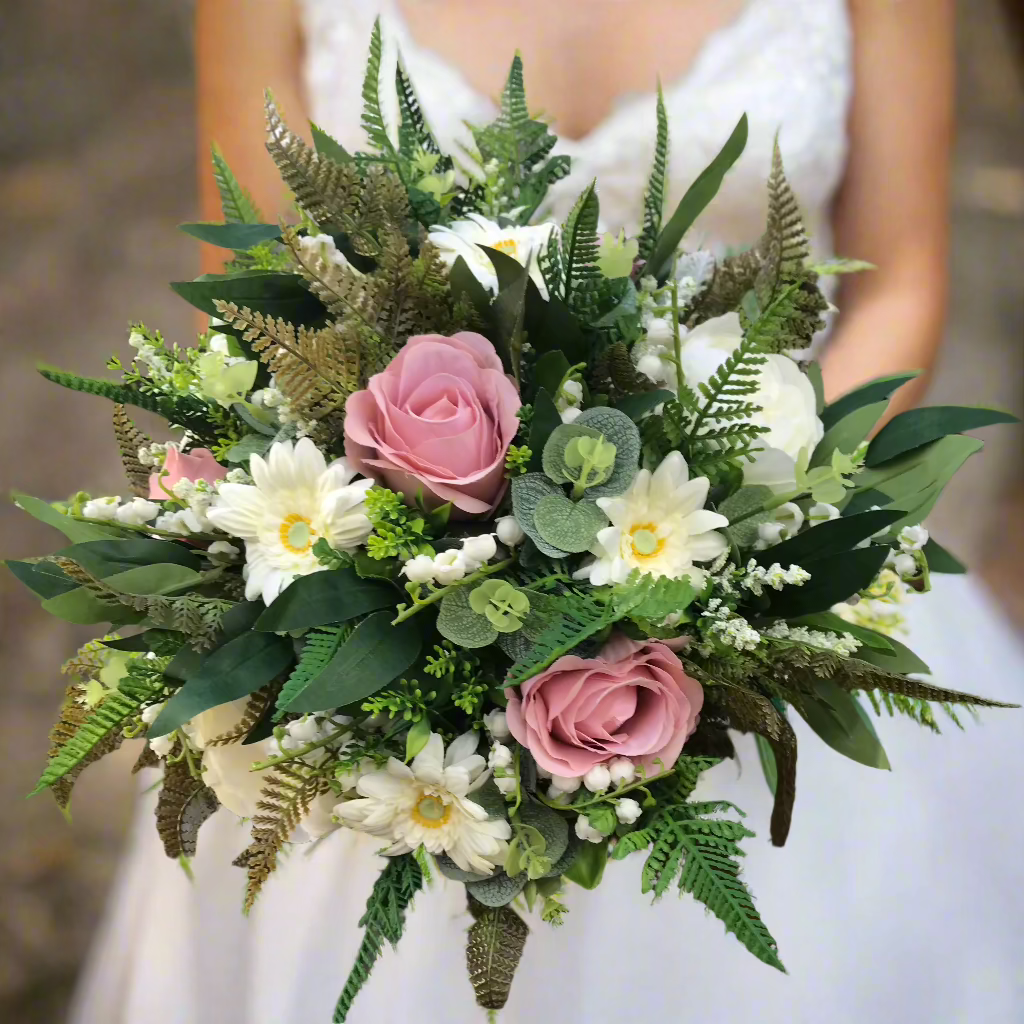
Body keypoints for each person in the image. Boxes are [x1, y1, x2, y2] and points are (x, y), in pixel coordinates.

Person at [72, 2, 1024, 1022]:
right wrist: (413, 572)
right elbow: (257, 298)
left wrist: (749, 548)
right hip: (381, 621)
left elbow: (895, 283)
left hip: (765, 571)